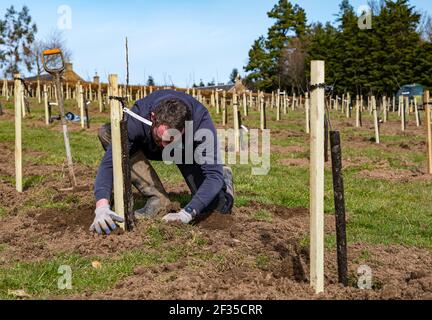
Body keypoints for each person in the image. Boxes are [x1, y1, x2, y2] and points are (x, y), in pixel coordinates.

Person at [90, 90, 234, 235]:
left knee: (218, 206)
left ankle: (225, 177)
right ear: (153, 117)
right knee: (108, 133)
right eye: (161, 139)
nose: (165, 146)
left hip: (184, 151)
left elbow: (213, 176)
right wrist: (101, 206)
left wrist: (187, 213)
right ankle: (157, 198)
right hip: (145, 145)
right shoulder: (139, 116)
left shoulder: (200, 121)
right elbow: (110, 162)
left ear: (185, 127)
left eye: (170, 139)